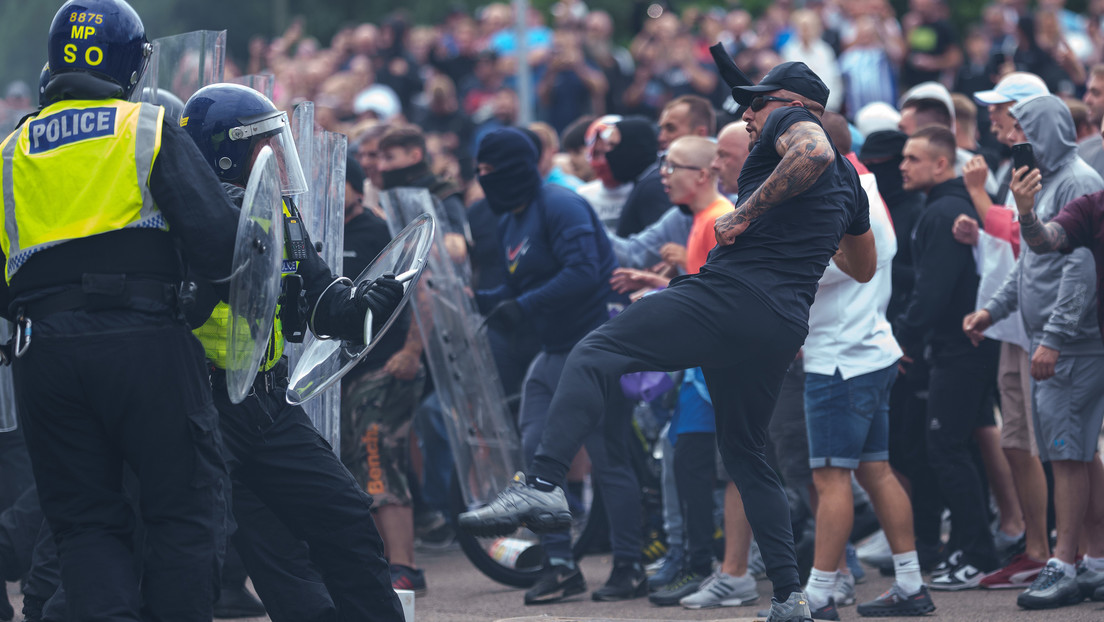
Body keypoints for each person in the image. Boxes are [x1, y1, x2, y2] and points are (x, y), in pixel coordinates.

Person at [460, 61, 877, 622]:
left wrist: (745, 214)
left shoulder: (794, 126)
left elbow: (813, 154)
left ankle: (541, 484)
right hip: (781, 323)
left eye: (756, 103)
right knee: (748, 455)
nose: (747, 114)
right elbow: (863, 265)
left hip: (734, 295)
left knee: (592, 352)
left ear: (791, 102)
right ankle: (789, 597)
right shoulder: (851, 183)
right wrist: (807, 236)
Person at [0, 1, 235, 619]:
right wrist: (194, 308)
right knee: (180, 514)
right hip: (145, 340)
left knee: (83, 526)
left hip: (42, 355)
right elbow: (220, 242)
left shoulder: (9, 152)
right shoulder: (147, 125)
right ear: (131, 63)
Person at [181, 82, 407, 622]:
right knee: (206, 549)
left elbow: (321, 301)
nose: (280, 156)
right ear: (227, 152)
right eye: (267, 144)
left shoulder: (280, 212)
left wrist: (363, 302)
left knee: (345, 515)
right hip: (202, 404)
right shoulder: (186, 217)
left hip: (267, 400)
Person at [473, 127, 645, 605]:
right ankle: (560, 564)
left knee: (607, 455)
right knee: (536, 453)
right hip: (552, 352)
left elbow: (584, 271)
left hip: (596, 345)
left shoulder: (560, 204)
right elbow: (518, 285)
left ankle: (629, 565)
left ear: (515, 168)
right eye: (479, 172)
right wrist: (479, 300)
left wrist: (523, 306)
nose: (483, 180)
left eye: (490, 172)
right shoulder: (511, 218)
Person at [799, 114, 936, 619]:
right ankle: (909, 584)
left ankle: (818, 595)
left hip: (842, 359)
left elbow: (817, 273)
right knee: (875, 471)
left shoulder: (842, 196)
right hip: (868, 351)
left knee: (832, 478)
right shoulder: (865, 189)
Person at [970, 95, 1104, 609]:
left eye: (1022, 127)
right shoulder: (1041, 179)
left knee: (1066, 453)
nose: (1011, 137)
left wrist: (1054, 337)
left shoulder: (1078, 181)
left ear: (1047, 128)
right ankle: (1093, 560)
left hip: (1071, 342)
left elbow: (1079, 270)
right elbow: (1034, 260)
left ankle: (1064, 563)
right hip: (1057, 337)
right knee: (1076, 452)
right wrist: (994, 310)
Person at [895, 126, 1001, 590]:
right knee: (957, 448)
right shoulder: (944, 209)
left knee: (946, 448)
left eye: (913, 158)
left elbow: (931, 291)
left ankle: (977, 554)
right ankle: (969, 547)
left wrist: (904, 340)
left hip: (961, 348)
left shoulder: (943, 211)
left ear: (942, 164)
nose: (903, 165)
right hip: (962, 345)